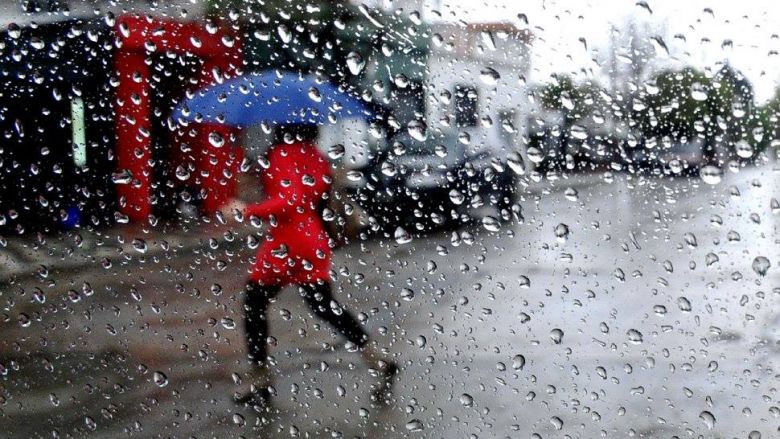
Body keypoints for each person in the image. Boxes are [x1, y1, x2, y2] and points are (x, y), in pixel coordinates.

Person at [230, 124, 397, 409]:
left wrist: (246, 210)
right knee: (324, 305)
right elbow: (314, 197)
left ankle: (261, 381)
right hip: (314, 239)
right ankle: (378, 359)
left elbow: (289, 200)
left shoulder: (282, 153)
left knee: (254, 304)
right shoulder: (316, 156)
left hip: (287, 241)